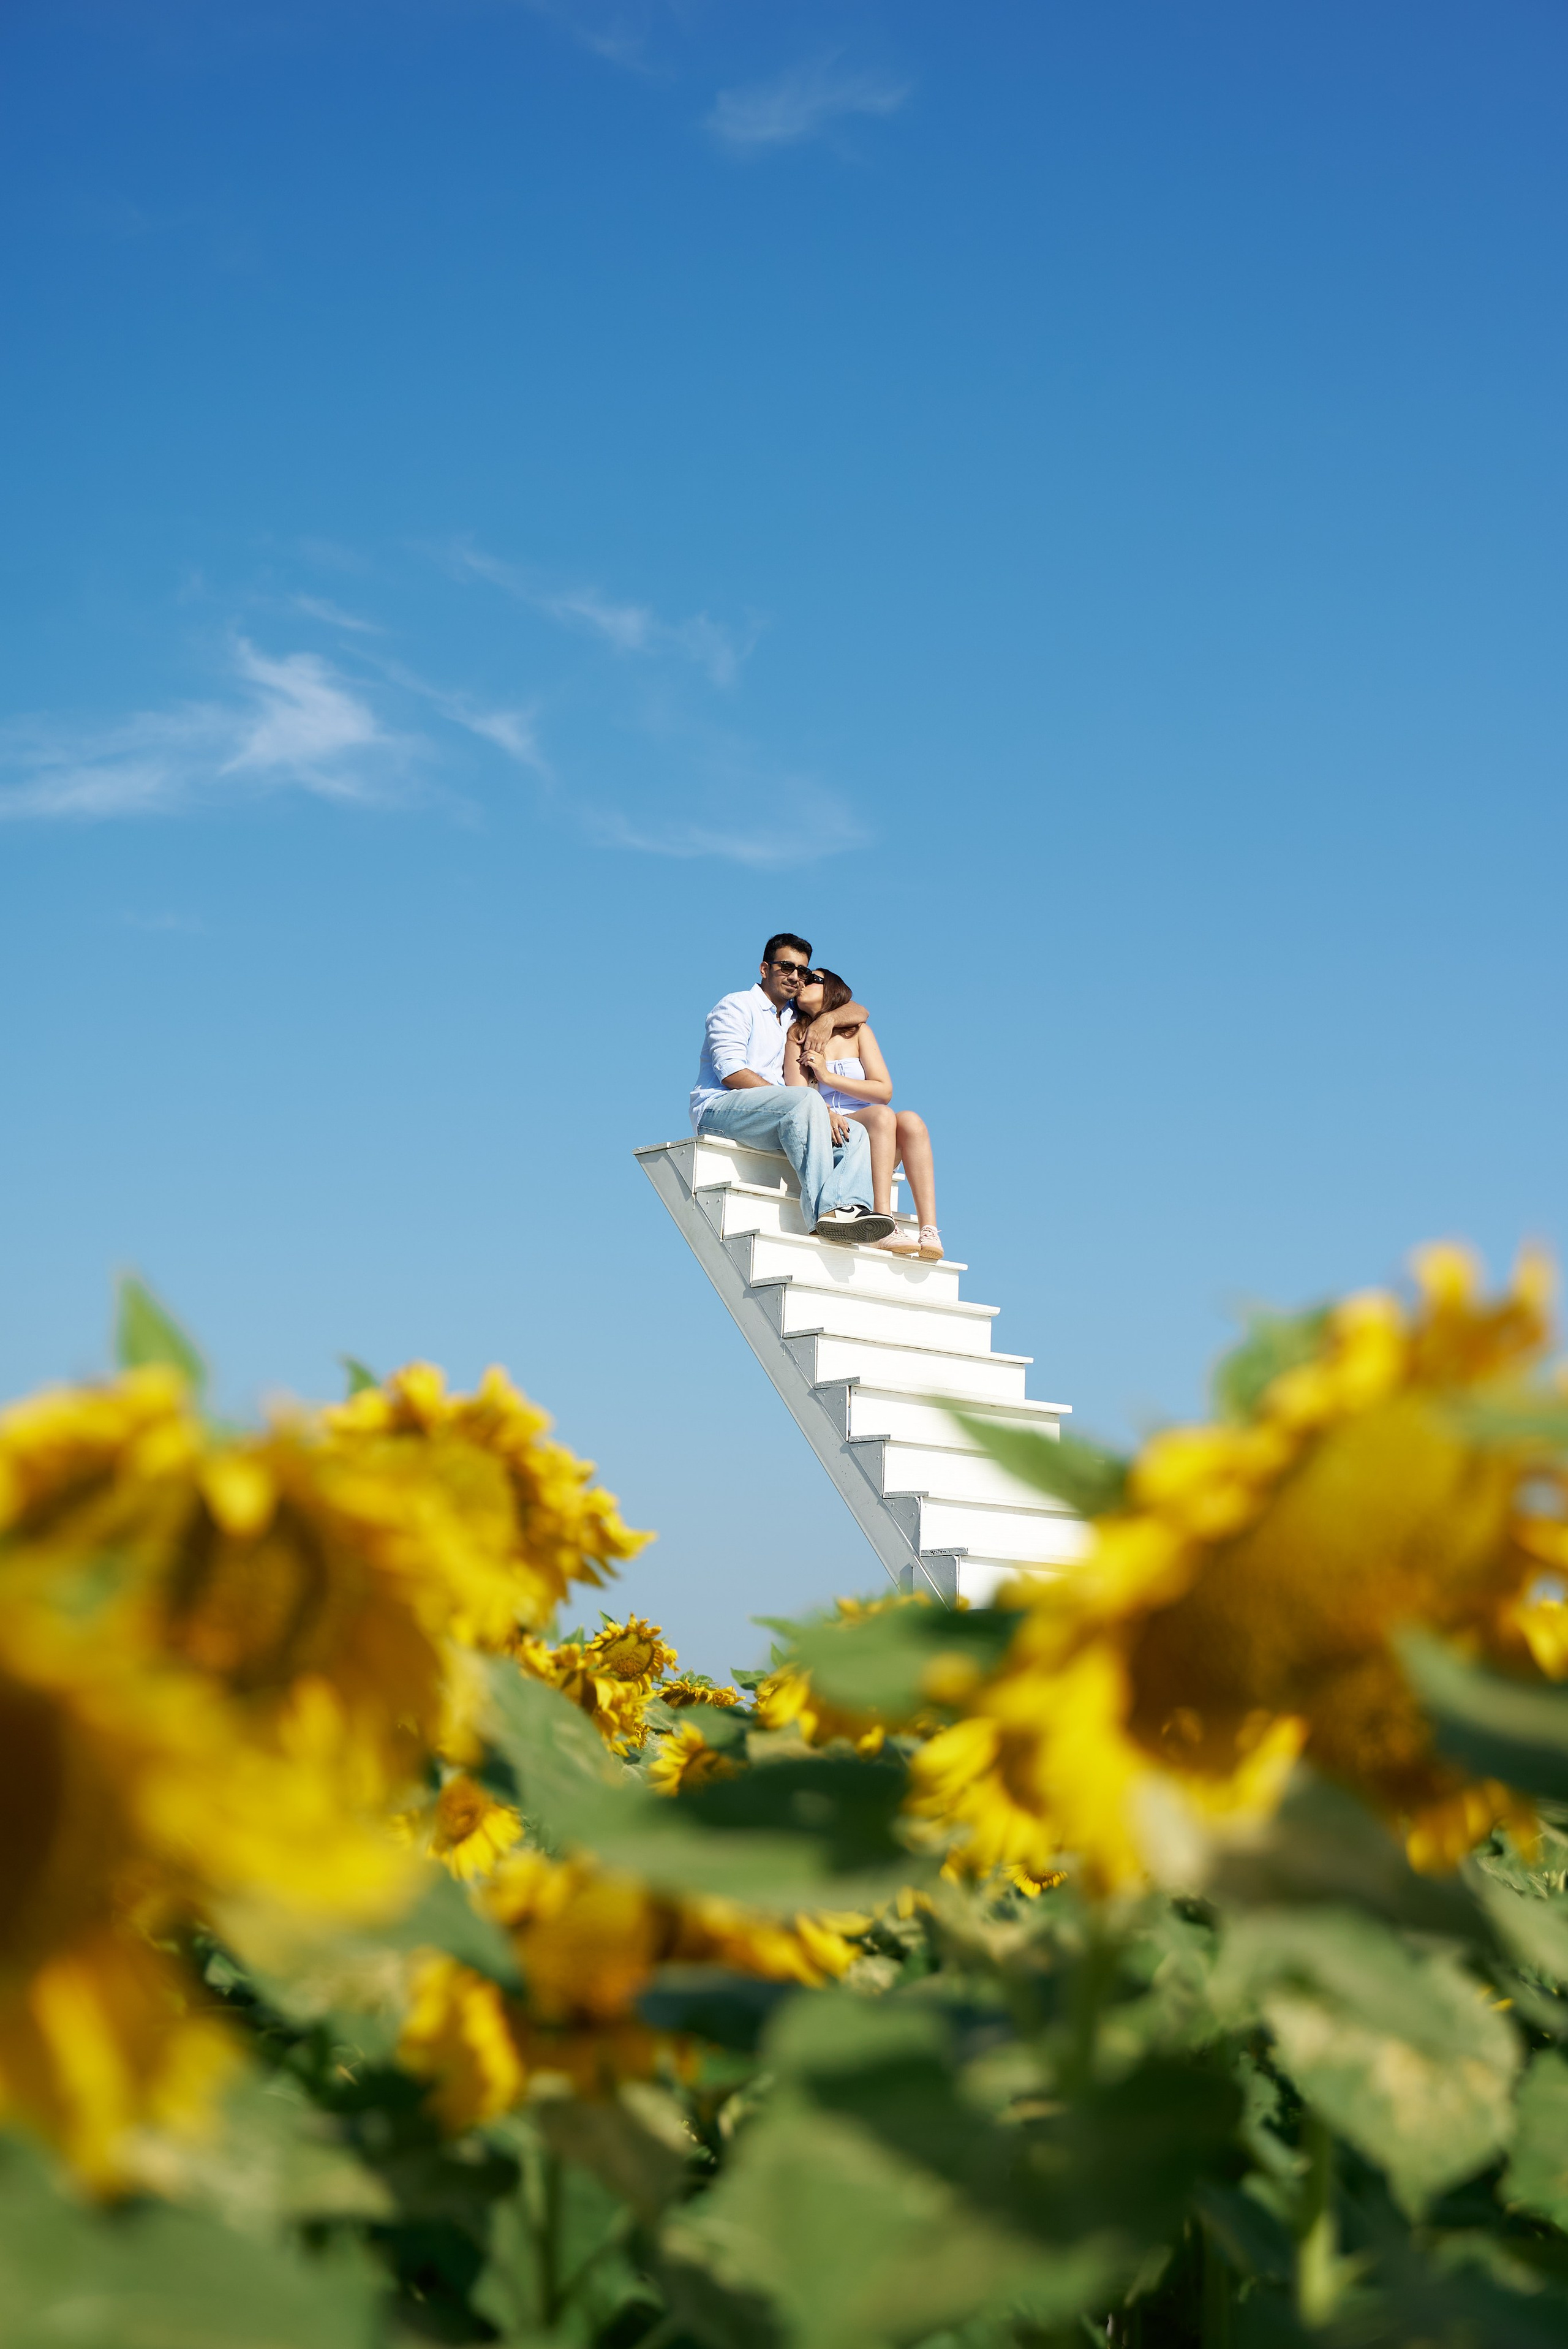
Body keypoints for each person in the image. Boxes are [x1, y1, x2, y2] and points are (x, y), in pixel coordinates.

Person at [688, 933, 897, 1245]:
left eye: (804, 972)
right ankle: (824, 1213)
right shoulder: (736, 1005)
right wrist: (810, 1105)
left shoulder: (793, 1018)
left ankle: (849, 1208)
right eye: (787, 967)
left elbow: (858, 1011)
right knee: (808, 1101)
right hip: (721, 1109)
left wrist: (825, 1021)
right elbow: (731, 1073)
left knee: (854, 1134)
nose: (796, 976)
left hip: (778, 1115)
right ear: (764, 969)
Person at [785, 968, 942, 1261]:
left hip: (875, 1129)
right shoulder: (796, 1035)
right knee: (883, 1116)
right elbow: (798, 1094)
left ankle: (929, 1229)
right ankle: (883, 1220)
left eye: (813, 979)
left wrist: (827, 1077)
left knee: (911, 1121)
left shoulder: (858, 1032)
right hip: (835, 1129)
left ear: (831, 989)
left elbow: (884, 1090)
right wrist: (825, 1109)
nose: (803, 982)